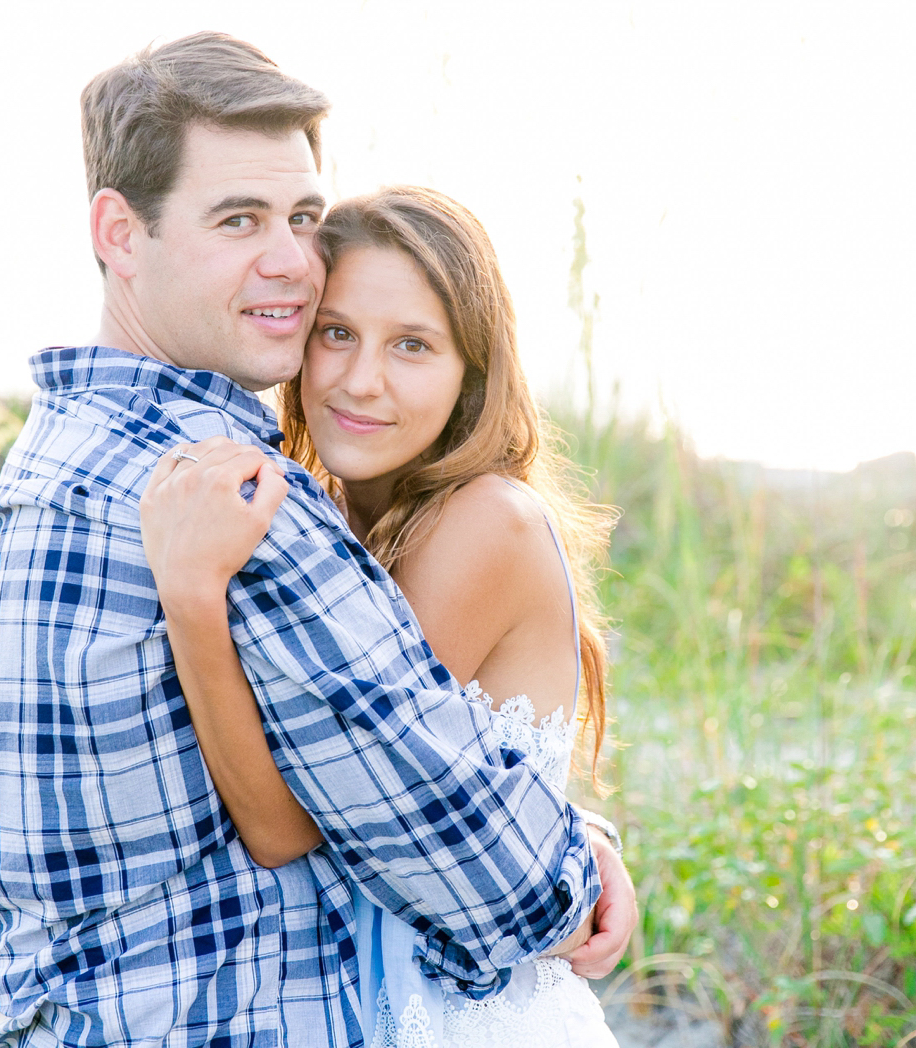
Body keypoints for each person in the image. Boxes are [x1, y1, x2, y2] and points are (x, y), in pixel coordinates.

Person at [0, 32, 634, 1048]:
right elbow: (474, 859)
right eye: (239, 220)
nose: (286, 262)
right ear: (119, 232)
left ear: (472, 369)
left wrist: (577, 844)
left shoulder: (56, 465)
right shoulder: (241, 496)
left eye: (301, 219)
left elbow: (381, 810)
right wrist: (574, 857)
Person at [138, 186, 622, 1047]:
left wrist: (191, 597)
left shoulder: (483, 523)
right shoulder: (329, 519)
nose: (363, 380)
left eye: (412, 346)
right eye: (338, 334)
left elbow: (289, 827)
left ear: (472, 371)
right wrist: (583, 836)